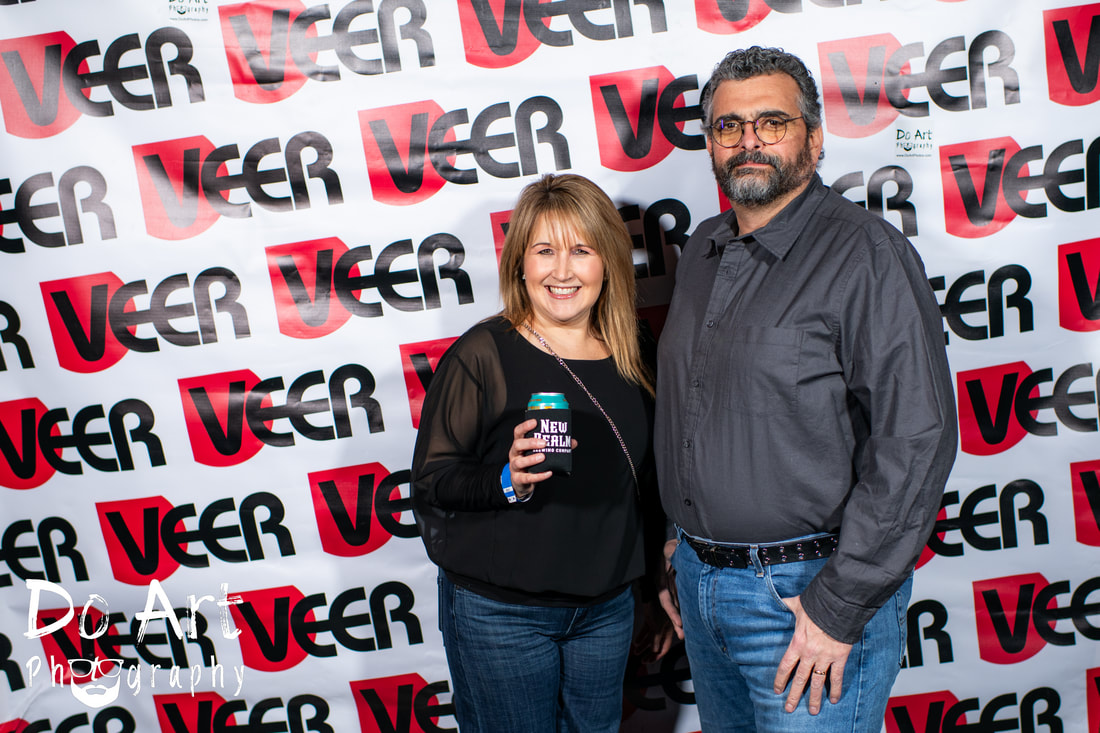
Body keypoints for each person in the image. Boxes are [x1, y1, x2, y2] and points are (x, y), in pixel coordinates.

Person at [654, 46, 957, 731]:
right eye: (729, 126)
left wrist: (838, 606)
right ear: (711, 144)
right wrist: (682, 541)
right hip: (701, 586)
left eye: (772, 122)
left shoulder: (867, 255)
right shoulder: (702, 250)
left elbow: (917, 438)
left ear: (814, 139)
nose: (749, 141)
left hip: (803, 601)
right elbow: (694, 410)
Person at [411, 173, 670, 733]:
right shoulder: (483, 354)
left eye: (581, 251)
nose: (562, 271)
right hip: (502, 616)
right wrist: (508, 480)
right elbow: (433, 481)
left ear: (608, 261)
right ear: (520, 264)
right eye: (545, 250)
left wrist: (650, 589)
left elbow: (644, 485)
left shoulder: (636, 350)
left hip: (607, 610)